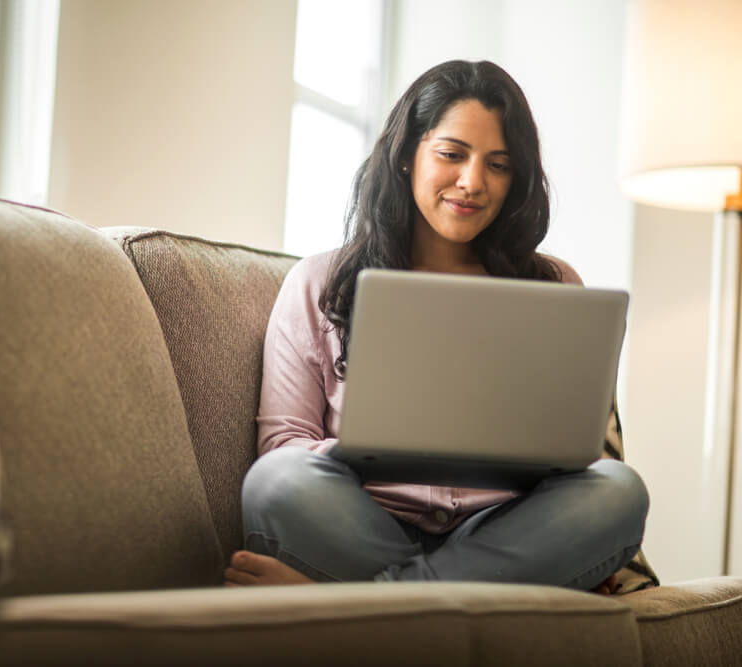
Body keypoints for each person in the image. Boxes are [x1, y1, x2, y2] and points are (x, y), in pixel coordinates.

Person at [223, 60, 649, 593]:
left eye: (498, 165)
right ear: (407, 157)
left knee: (618, 491)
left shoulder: (555, 285)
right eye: (452, 154)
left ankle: (368, 608)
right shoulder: (319, 282)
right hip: (364, 523)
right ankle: (443, 605)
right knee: (275, 482)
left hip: (502, 532)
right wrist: (365, 448)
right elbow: (284, 444)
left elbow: (579, 457)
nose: (473, 183)